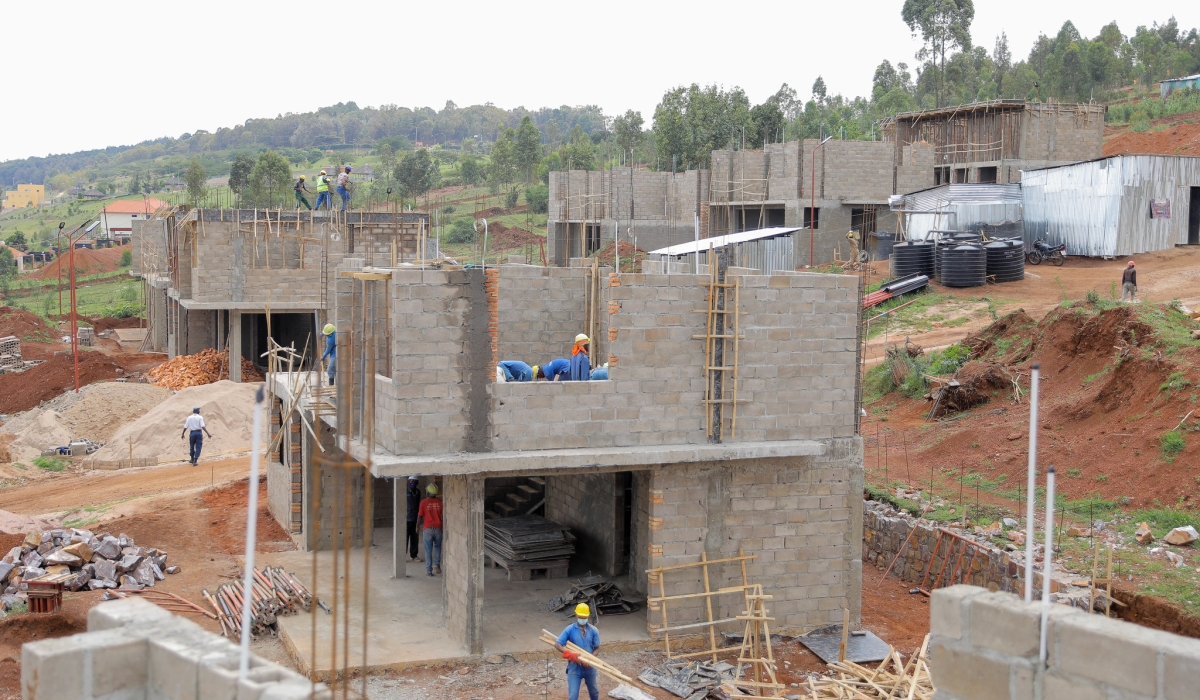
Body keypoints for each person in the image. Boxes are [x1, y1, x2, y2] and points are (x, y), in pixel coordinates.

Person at [554, 603, 601, 700]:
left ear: (587, 616)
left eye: (584, 617)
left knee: (594, 692)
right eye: (580, 616)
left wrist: (590, 659)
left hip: (589, 667)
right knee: (573, 696)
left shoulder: (593, 630)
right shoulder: (570, 629)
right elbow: (558, 644)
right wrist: (569, 653)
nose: (582, 619)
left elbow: (597, 648)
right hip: (574, 668)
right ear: (576, 615)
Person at [418, 483, 443, 576]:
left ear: (428, 492)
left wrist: (417, 526)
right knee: (438, 547)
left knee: (428, 550)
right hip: (438, 528)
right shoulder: (440, 502)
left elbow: (420, 516)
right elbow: (443, 515)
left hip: (427, 529)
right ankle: (437, 563)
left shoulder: (423, 502)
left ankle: (429, 571)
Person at [405, 476, 422, 562]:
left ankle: (414, 555)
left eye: (415, 481)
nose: (413, 483)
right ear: (409, 481)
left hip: (415, 518)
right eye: (412, 481)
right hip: (406, 518)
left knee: (415, 537)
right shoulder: (405, 491)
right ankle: (401, 556)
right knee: (405, 538)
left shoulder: (418, 492)